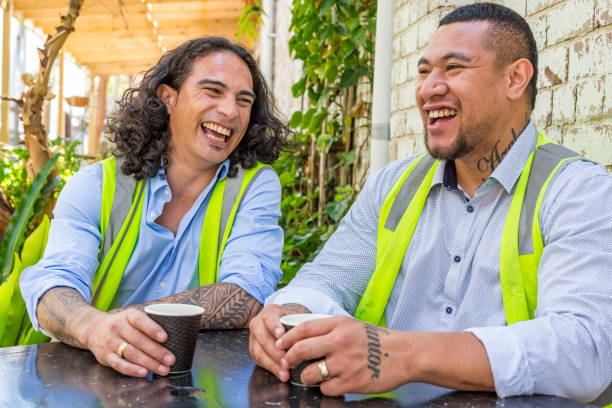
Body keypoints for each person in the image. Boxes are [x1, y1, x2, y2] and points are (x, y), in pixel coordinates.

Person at [249, 3, 612, 403]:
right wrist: (285, 310)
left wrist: (405, 355)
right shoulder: (391, 185)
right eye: (424, 71)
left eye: (453, 68)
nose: (428, 88)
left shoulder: (579, 191)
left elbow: (586, 349)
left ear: (515, 79)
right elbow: (328, 278)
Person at [20, 37, 290, 378]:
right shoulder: (96, 185)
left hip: (194, 384)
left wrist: (119, 321)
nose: (230, 111)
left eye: (243, 100)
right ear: (168, 98)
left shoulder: (254, 185)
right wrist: (92, 328)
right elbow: (54, 284)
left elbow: (248, 292)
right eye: (212, 91)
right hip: (92, 377)